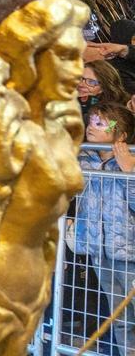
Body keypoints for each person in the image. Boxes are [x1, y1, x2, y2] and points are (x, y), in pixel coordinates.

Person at [77, 102, 135, 353]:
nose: (92, 127)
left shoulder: (131, 158)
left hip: (129, 250)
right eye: (91, 121)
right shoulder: (84, 157)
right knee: (120, 318)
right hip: (100, 250)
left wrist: (130, 170)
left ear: (120, 134)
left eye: (101, 123)